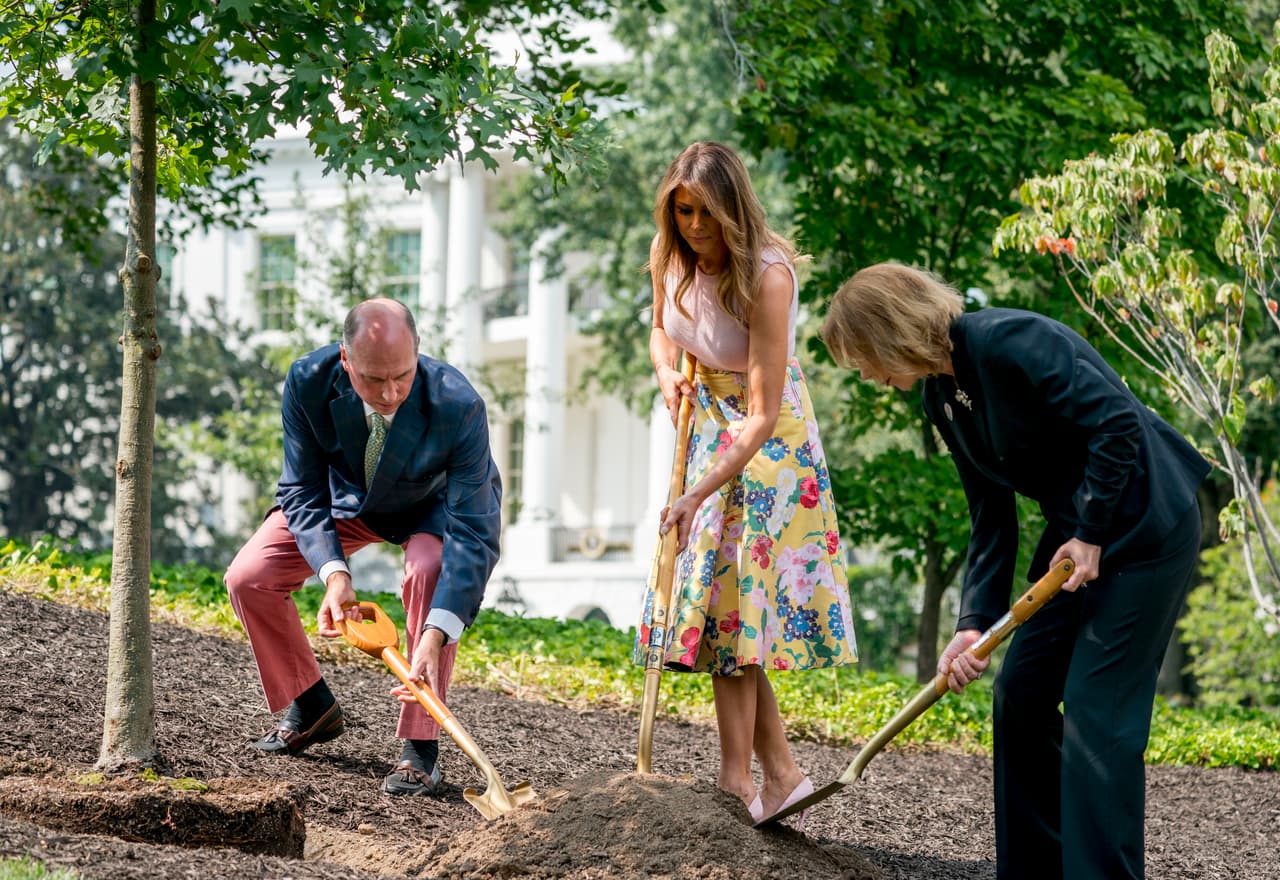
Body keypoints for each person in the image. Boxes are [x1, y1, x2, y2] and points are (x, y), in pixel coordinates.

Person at [821, 262, 1210, 880]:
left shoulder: (1010, 340)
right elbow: (991, 513)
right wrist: (972, 622)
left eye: (864, 358)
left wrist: (1090, 533)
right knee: (1020, 693)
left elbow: (1118, 423)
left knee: (1095, 710)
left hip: (1144, 525)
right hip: (1077, 536)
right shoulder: (940, 396)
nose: (866, 375)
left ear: (891, 330)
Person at [636, 141, 858, 825]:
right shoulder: (668, 253)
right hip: (704, 426)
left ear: (733, 210)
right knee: (725, 620)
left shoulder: (769, 276)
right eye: (683, 212)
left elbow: (761, 415)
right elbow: (658, 329)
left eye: (705, 214)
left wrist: (698, 493)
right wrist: (667, 371)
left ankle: (739, 781)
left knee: (733, 619)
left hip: (766, 450)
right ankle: (779, 775)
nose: (694, 228)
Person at [224, 297, 502, 796]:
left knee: (430, 567)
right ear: (345, 359)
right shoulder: (308, 379)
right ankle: (310, 704)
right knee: (249, 577)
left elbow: (472, 528)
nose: (390, 392)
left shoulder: (459, 404)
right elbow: (302, 487)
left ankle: (421, 746)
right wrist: (335, 573)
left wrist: (434, 636)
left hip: (431, 506)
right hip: (346, 498)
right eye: (373, 380)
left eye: (402, 375)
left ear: (418, 351)